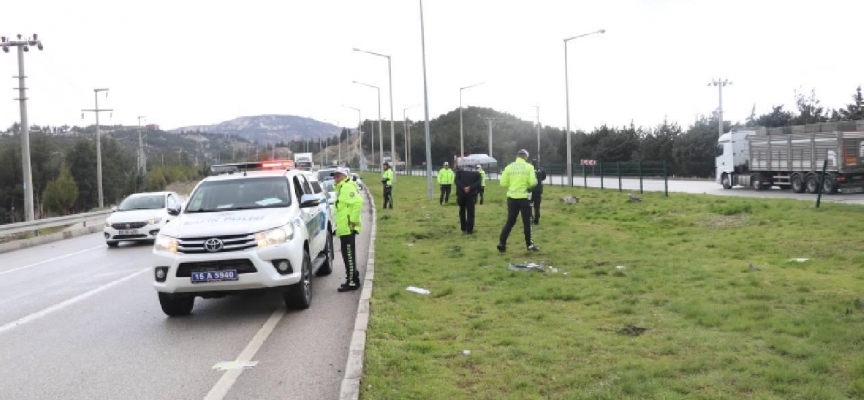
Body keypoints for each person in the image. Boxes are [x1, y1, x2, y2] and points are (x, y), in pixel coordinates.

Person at [497, 149, 539, 253]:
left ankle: (502, 243)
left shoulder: (509, 167)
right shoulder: (529, 167)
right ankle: (529, 244)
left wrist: (512, 187)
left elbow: (502, 183)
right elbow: (533, 182)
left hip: (512, 198)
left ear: (517, 156)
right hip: (524, 198)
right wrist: (527, 187)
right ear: (526, 157)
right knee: (527, 222)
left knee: (510, 221)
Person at [331, 168, 364, 292]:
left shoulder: (347, 187)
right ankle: (353, 278)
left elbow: (358, 202)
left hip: (348, 227)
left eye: (338, 176)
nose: (335, 178)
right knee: (346, 254)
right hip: (344, 228)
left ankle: (351, 282)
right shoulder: (341, 188)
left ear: (344, 176)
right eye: (334, 176)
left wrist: (353, 221)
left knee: (349, 255)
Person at [454, 165, 482, 234]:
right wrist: (470, 188)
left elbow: (456, 181)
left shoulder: (460, 172)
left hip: (461, 193)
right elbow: (478, 184)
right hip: (471, 194)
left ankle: (463, 228)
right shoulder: (477, 173)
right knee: (471, 212)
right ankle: (469, 229)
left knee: (462, 211)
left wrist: (463, 187)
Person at [530, 159, 547, 225]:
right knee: (537, 206)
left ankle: (530, 218)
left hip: (531, 190)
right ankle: (536, 219)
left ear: (532, 163)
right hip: (538, 190)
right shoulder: (541, 169)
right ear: (537, 163)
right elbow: (544, 177)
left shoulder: (529, 169)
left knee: (529, 205)